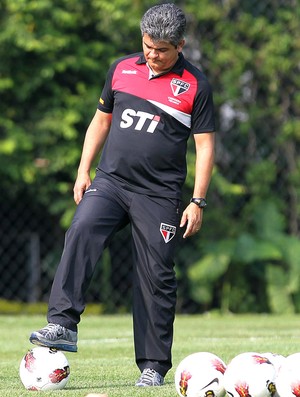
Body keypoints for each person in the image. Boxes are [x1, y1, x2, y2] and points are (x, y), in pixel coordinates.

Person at [29, 3, 215, 387]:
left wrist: (197, 200)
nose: (152, 54)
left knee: (156, 274)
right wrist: (83, 170)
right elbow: (101, 120)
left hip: (159, 194)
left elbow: (205, 146)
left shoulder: (195, 85)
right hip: (111, 182)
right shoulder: (120, 69)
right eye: (147, 45)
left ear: (180, 45)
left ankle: (153, 366)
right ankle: (62, 324)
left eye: (161, 49)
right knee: (80, 228)